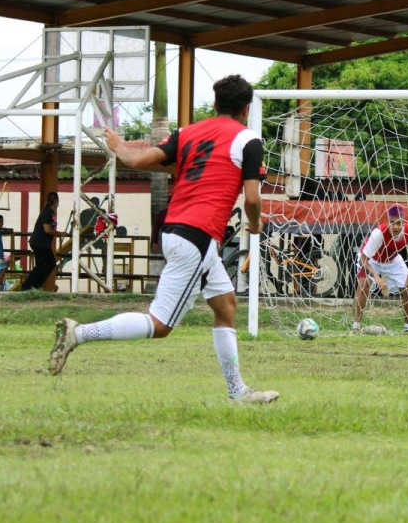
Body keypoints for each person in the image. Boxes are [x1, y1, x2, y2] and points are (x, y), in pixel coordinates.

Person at [48, 74, 278, 404]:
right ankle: (78, 332)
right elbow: (253, 200)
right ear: (245, 109)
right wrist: (254, 225)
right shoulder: (248, 140)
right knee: (159, 325)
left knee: (226, 305)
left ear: (215, 105)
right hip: (196, 237)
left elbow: (139, 161)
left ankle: (237, 391)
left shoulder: (188, 133)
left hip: (178, 230)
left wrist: (119, 146)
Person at [352, 204, 408, 334]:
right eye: (392, 223)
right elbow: (364, 259)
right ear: (387, 222)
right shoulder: (379, 233)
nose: (395, 226)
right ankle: (356, 326)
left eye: (398, 223)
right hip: (370, 259)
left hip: (393, 259)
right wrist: (377, 277)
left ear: (403, 222)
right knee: (364, 284)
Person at [22, 192, 69, 291]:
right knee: (42, 265)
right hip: (39, 243)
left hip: (43, 244)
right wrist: (60, 234)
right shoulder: (47, 212)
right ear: (55, 201)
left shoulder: (50, 212)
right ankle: (28, 286)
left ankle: (34, 285)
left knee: (50, 263)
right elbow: (47, 230)